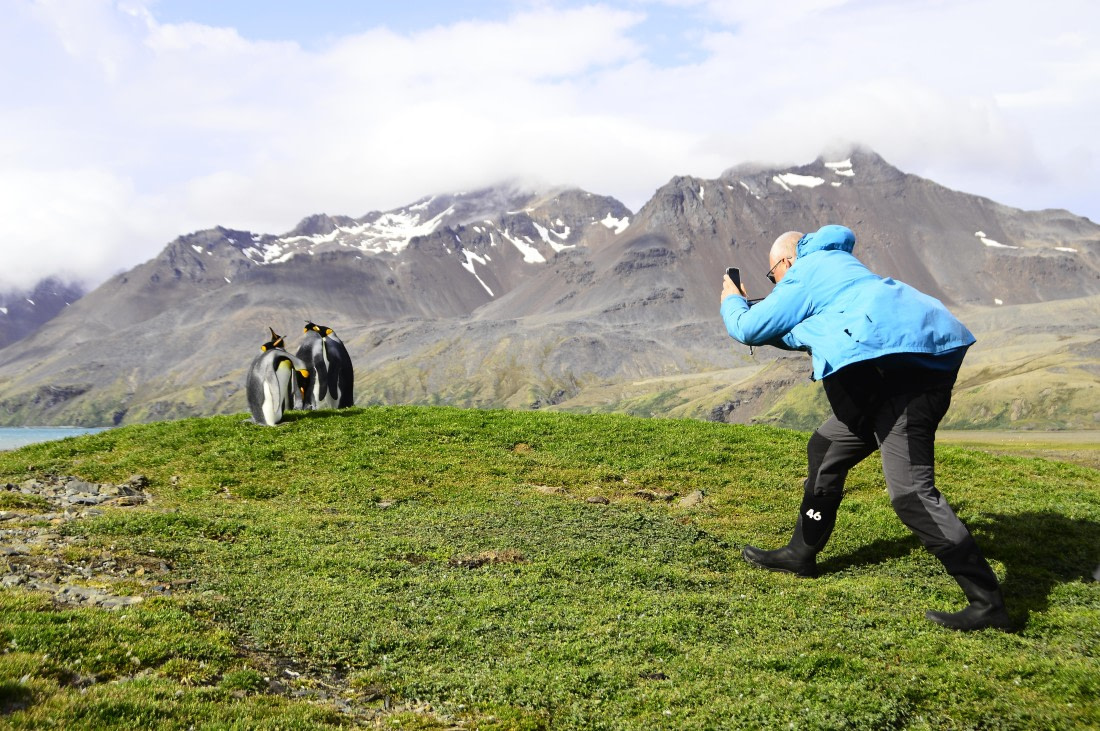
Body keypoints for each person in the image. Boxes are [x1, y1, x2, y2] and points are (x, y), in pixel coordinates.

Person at [720, 224, 1011, 632]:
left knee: (911, 494)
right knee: (826, 447)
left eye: (774, 277)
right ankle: (801, 553)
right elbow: (797, 332)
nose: (776, 285)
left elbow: (747, 329)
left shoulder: (809, 269)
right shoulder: (836, 271)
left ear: (786, 263)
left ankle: (987, 603)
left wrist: (731, 300)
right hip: (888, 379)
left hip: (906, 383)